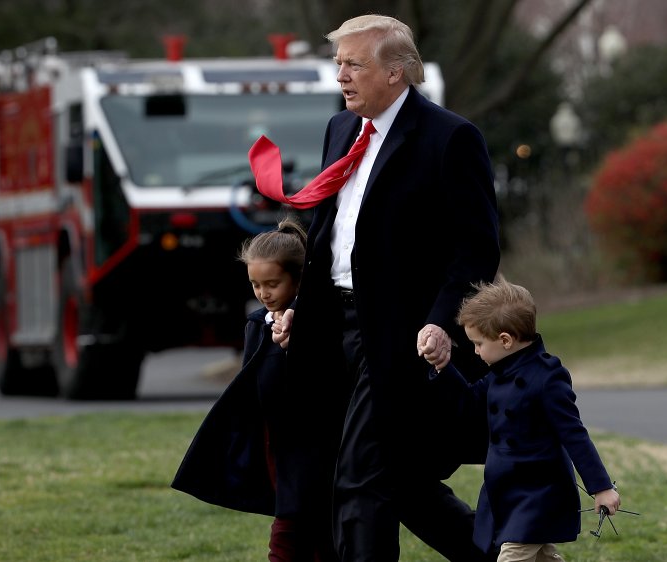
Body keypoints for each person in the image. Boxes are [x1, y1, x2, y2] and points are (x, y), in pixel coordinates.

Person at [269, 13, 501, 562]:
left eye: (354, 64)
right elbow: (328, 238)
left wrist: (442, 323)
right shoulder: (340, 130)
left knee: (360, 481)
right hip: (334, 333)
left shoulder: (451, 138)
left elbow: (477, 250)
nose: (341, 76)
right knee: (399, 483)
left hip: (400, 339)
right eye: (338, 63)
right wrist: (301, 308)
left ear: (396, 72)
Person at [171, 217, 340, 562]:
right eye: (255, 285)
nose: (263, 293)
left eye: (273, 283)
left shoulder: (319, 324)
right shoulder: (257, 325)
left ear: (298, 278)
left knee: (299, 533)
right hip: (276, 448)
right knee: (298, 526)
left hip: (315, 449)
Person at [420, 278, 622, 561]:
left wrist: (601, 487)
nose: (475, 351)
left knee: (512, 555)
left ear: (505, 340)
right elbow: (468, 403)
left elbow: (574, 435)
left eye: (478, 343)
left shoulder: (548, 377)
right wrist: (444, 367)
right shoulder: (497, 375)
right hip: (504, 491)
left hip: (538, 493)